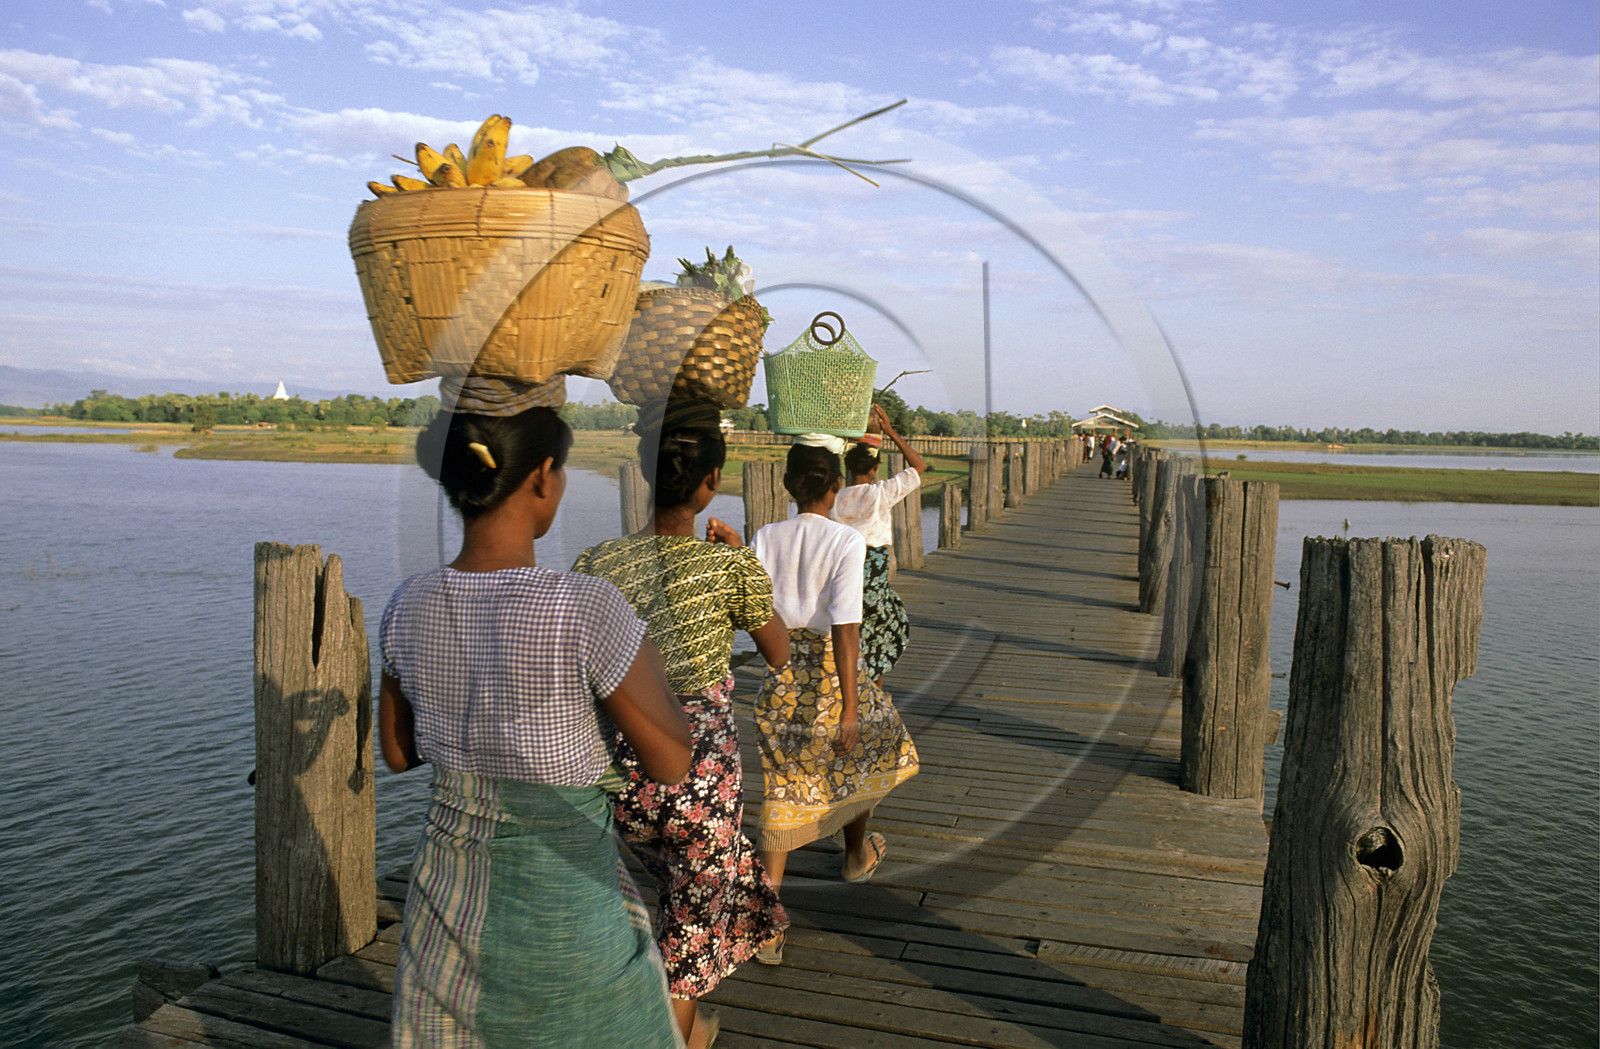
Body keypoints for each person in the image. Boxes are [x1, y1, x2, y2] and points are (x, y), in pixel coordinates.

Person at [378, 404, 693, 1049]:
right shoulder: (582, 604)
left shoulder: (408, 600)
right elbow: (670, 761)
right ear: (544, 478)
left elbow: (398, 752)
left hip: (447, 903)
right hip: (563, 897)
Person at [571, 400, 789, 1047]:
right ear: (710, 483)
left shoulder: (596, 562)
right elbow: (777, 650)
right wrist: (744, 563)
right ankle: (676, 1027)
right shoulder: (727, 566)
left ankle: (703, 1002)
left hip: (622, 784)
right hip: (700, 785)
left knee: (688, 891)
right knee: (687, 950)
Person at [748, 438, 920, 964]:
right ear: (836, 486)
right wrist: (848, 707)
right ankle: (853, 855)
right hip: (828, 671)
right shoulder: (845, 541)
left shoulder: (764, 536)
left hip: (779, 672)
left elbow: (756, 613)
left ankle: (768, 924)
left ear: (787, 485)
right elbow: (847, 632)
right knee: (869, 750)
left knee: (783, 789)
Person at [831, 403, 926, 683]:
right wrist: (891, 432)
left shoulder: (834, 499)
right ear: (874, 469)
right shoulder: (881, 494)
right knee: (878, 633)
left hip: (843, 571)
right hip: (873, 572)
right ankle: (873, 694)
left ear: (846, 468)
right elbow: (919, 466)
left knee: (850, 628)